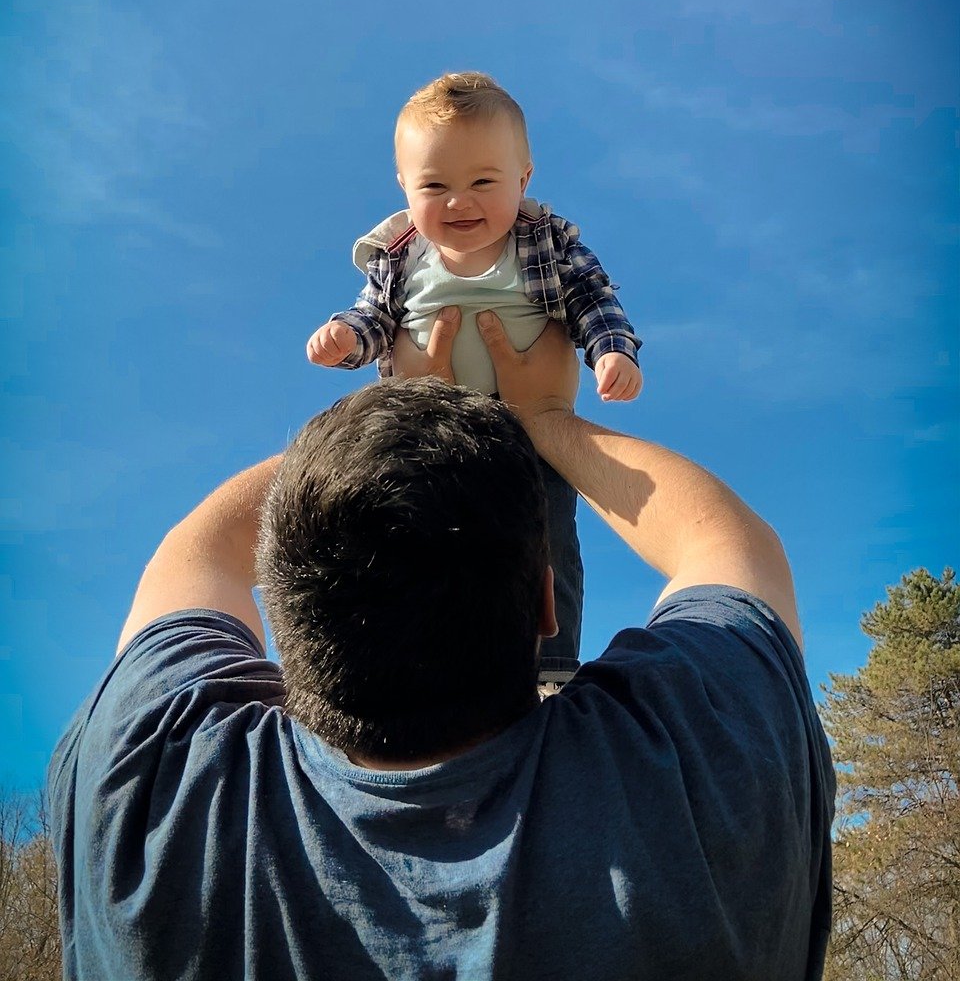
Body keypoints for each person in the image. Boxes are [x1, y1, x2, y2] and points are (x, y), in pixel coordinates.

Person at [47, 313, 835, 981]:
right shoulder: (700, 772)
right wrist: (543, 416)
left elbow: (200, 550)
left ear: (281, 611)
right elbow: (728, 542)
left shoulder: (150, 792)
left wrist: (391, 404)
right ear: (547, 602)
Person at [304, 71, 643, 684]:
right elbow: (373, 317)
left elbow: (592, 299)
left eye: (483, 182)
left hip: (528, 436)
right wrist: (346, 338)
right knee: (418, 538)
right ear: (405, 187)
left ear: (523, 180)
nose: (459, 202)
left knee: (544, 539)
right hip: (427, 435)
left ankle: (550, 666)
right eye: (435, 185)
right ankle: (419, 668)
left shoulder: (546, 242)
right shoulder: (401, 256)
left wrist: (611, 352)